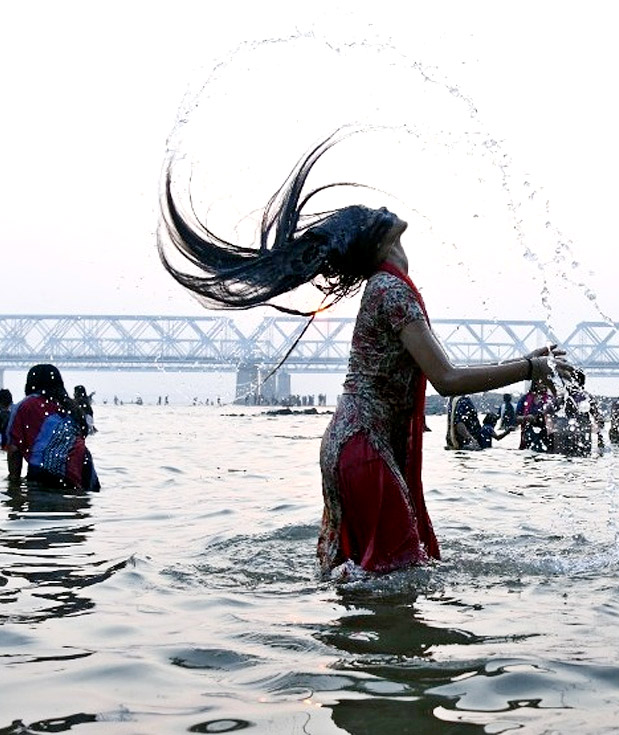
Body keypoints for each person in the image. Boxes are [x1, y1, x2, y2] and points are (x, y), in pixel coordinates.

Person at [157, 131, 575, 576]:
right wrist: (531, 368)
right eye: (370, 214)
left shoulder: (386, 288)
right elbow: (447, 380)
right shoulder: (391, 290)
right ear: (374, 243)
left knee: (364, 576)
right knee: (397, 579)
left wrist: (529, 362)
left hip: (352, 445)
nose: (381, 210)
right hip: (363, 449)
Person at [7, 364, 100, 491]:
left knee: (49, 505)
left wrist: (13, 486)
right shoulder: (70, 406)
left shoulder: (24, 406)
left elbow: (14, 450)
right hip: (83, 466)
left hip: (46, 471)